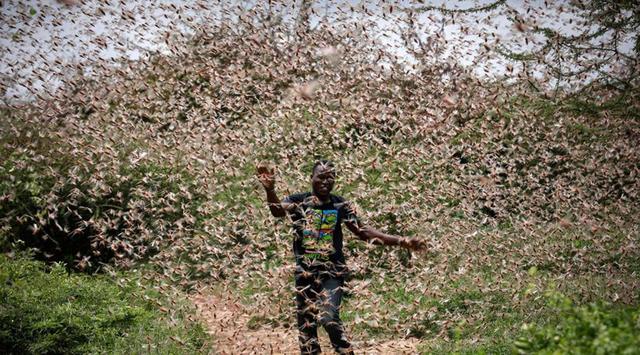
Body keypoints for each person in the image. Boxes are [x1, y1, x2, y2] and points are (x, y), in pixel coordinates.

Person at [256, 160, 425, 355]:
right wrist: (269, 190)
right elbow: (277, 211)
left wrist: (400, 241)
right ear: (311, 178)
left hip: (332, 272)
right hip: (305, 273)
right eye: (321, 176)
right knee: (307, 329)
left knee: (329, 318)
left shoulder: (340, 204)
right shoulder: (299, 200)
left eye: (330, 177)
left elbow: (364, 232)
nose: (325, 181)